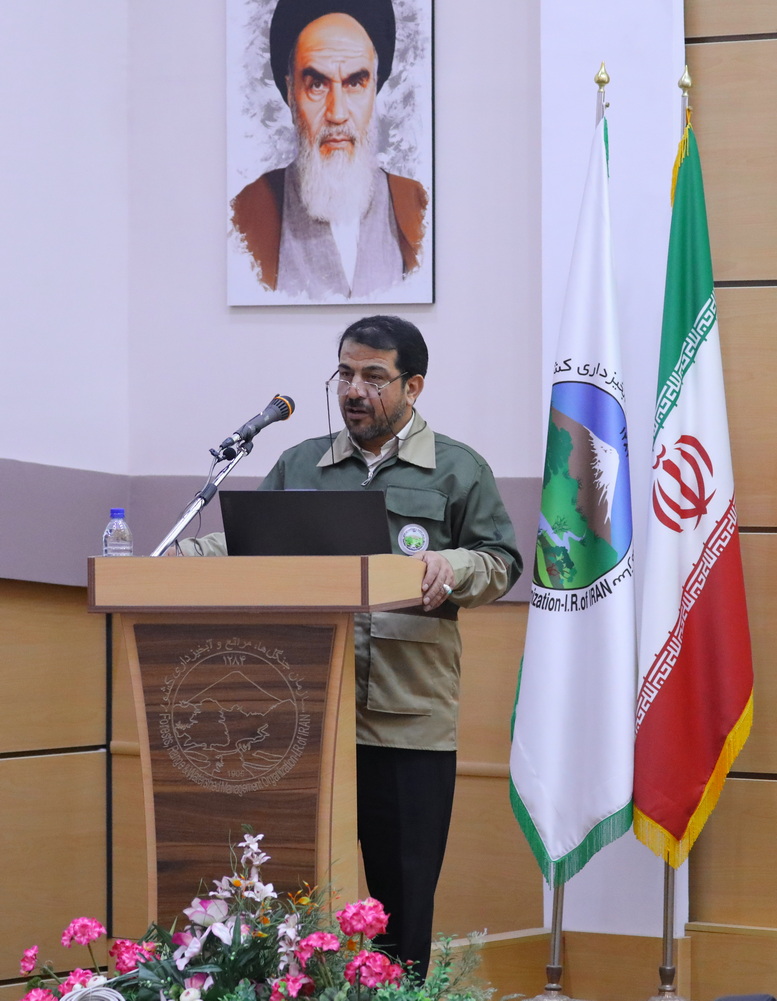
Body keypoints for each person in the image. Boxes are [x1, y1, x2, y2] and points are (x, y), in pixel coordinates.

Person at [176, 316, 522, 977]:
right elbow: (251, 545)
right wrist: (178, 557)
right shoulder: (301, 464)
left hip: (407, 718)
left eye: (373, 376)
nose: (353, 390)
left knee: (402, 904)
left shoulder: (456, 469)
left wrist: (452, 565)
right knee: (298, 896)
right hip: (305, 715)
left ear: (413, 386)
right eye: (344, 373)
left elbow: (501, 560)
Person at [231, 0, 428, 298]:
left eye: (355, 83)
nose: (337, 113)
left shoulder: (419, 206)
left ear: (374, 89)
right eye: (317, 85)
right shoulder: (244, 215)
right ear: (291, 93)